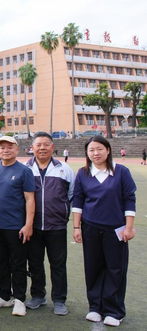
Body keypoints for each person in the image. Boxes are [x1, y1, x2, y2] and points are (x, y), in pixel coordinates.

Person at [72, 136, 136, 327]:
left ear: (108, 150)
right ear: (87, 153)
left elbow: (129, 199)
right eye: (91, 150)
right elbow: (78, 200)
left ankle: (114, 311)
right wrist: (76, 227)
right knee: (93, 268)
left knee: (116, 269)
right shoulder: (83, 173)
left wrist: (129, 227)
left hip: (116, 229)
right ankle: (95, 307)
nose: (96, 153)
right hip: (90, 227)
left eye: (99, 149)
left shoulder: (121, 172)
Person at [24, 132, 76, 316]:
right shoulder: (25, 168)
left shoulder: (64, 169)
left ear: (53, 147)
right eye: (38, 145)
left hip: (57, 226)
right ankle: (38, 295)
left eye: (46, 144)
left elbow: (72, 195)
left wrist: (63, 212)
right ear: (32, 148)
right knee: (35, 263)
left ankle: (59, 300)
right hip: (33, 226)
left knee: (58, 264)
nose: (42, 148)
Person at [0, 136, 35, 317]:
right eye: (2, 147)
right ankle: (4, 295)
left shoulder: (24, 171)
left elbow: (30, 199)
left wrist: (28, 224)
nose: (5, 150)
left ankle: (19, 299)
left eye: (9, 147)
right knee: (0, 262)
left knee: (18, 263)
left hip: (16, 226)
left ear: (17, 149)